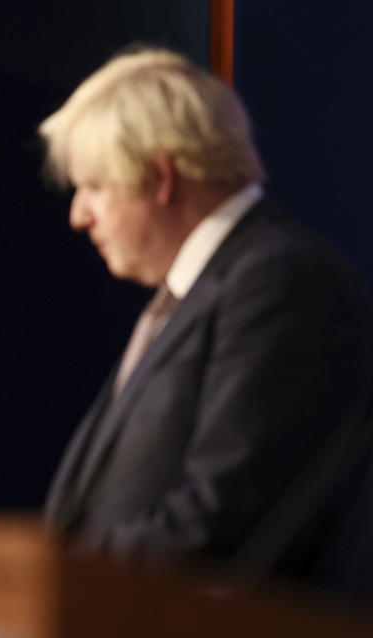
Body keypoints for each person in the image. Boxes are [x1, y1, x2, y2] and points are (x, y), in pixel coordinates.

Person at [38, 48, 373, 587]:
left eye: (94, 186)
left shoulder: (283, 280)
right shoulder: (193, 293)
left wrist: (67, 581)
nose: (79, 215)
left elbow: (223, 517)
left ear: (160, 176)